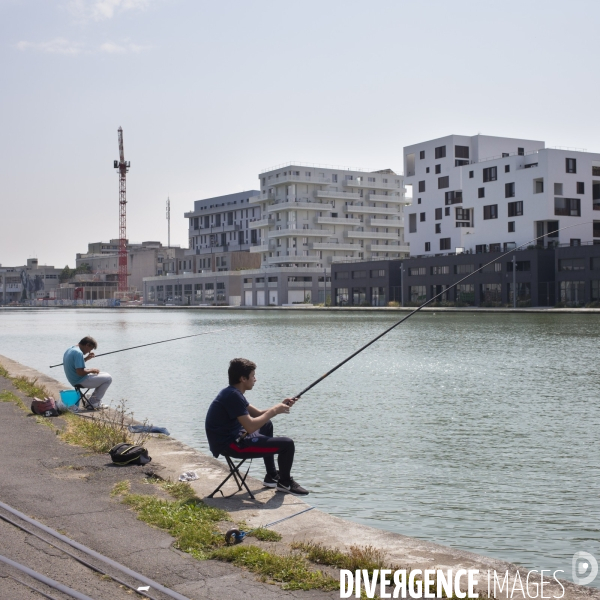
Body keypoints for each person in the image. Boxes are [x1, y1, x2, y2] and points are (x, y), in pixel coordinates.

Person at [205, 358, 308, 496]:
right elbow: (251, 427)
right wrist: (274, 410)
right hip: (230, 445)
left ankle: (271, 475)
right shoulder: (233, 396)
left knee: (266, 424)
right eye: (253, 375)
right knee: (287, 445)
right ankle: (285, 482)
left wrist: (280, 405)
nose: (255, 379)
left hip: (233, 437)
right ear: (243, 378)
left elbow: (258, 414)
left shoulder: (232, 392)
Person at [63, 336, 112, 410]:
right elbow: (80, 372)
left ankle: (92, 399)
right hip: (80, 380)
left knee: (105, 375)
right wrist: (91, 370)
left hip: (73, 379)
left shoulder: (71, 349)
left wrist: (86, 358)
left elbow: (76, 365)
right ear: (87, 345)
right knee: (108, 378)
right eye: (90, 349)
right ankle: (93, 402)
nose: (89, 352)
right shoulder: (78, 353)